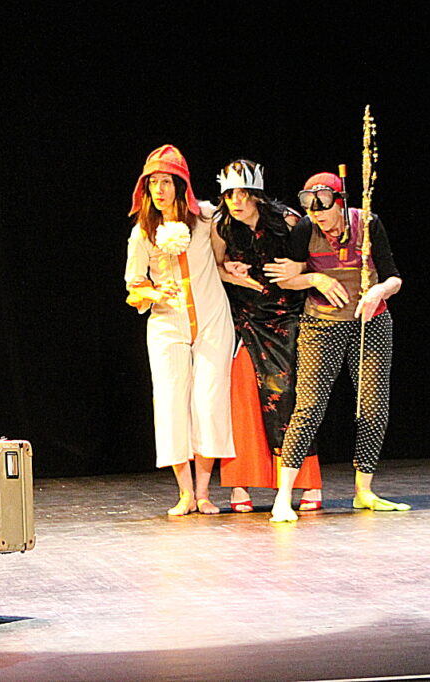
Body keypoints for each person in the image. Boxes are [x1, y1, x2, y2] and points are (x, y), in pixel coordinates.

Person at [263, 173, 409, 523]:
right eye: (311, 210)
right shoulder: (304, 230)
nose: (318, 216)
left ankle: (364, 490)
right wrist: (317, 278)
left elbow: (394, 277)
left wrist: (378, 291)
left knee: (373, 407)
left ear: (340, 201)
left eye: (324, 209)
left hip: (369, 323)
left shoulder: (369, 223)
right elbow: (290, 277)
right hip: (321, 325)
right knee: (309, 409)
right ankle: (283, 498)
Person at [124, 144, 236, 515]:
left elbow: (221, 259)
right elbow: (133, 286)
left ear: (180, 185)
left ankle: (204, 493)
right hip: (167, 324)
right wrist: (155, 291)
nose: (160, 189)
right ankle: (185, 493)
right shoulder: (142, 233)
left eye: (166, 182)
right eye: (153, 182)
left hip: (212, 320)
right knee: (172, 404)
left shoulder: (205, 218)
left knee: (209, 401)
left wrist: (232, 269)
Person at [212, 160, 323, 513]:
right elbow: (214, 267)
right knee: (241, 395)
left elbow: (316, 260)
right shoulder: (221, 227)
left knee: (288, 396)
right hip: (246, 319)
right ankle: (240, 481)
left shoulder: (288, 220)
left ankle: (307, 482)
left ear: (256, 195)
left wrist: (299, 267)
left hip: (286, 318)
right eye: (230, 195)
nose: (237, 201)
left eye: (243, 194)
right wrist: (230, 272)